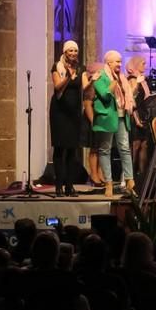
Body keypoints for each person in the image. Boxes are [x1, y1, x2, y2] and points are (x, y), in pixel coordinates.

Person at [50, 40, 91, 197]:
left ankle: (69, 186)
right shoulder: (57, 67)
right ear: (65, 52)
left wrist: (93, 80)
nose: (73, 53)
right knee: (60, 149)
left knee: (72, 149)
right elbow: (57, 87)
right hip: (60, 111)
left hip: (74, 111)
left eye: (75, 50)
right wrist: (67, 76)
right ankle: (59, 186)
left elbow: (84, 87)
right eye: (70, 51)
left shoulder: (81, 68)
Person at [93, 50, 135, 198]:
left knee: (124, 148)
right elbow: (104, 96)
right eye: (117, 61)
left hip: (122, 116)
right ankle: (109, 183)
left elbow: (127, 96)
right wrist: (114, 81)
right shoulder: (100, 77)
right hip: (107, 117)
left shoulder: (122, 77)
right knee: (105, 149)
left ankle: (130, 181)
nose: (119, 64)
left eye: (120, 61)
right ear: (109, 63)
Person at [126, 56, 151, 182]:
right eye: (142, 63)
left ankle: (142, 175)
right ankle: (130, 176)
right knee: (135, 145)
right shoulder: (132, 79)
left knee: (144, 145)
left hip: (143, 113)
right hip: (135, 115)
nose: (144, 66)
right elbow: (131, 97)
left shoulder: (143, 80)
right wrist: (136, 120)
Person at [81, 62, 104, 186]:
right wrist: (93, 122)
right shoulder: (91, 86)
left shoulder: (100, 84)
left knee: (100, 148)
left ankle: (99, 172)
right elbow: (87, 105)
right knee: (94, 148)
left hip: (101, 118)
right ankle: (93, 174)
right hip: (92, 119)